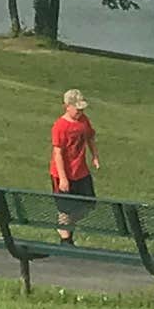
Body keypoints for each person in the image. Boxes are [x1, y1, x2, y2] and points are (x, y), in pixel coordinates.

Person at [48, 89, 100, 236]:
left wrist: (95, 155)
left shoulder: (84, 121)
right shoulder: (60, 126)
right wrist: (63, 179)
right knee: (65, 210)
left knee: (89, 204)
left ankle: (66, 224)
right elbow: (57, 154)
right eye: (77, 109)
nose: (80, 112)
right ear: (67, 107)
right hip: (63, 173)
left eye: (82, 109)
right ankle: (66, 239)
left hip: (80, 171)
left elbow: (89, 137)